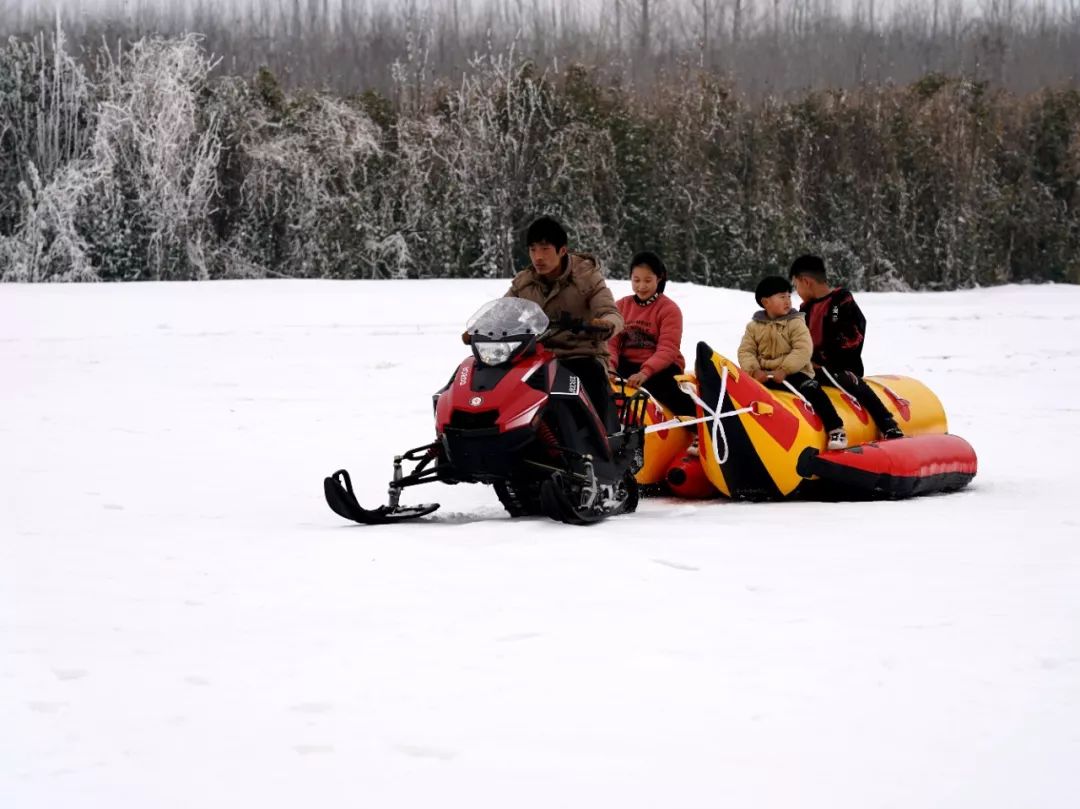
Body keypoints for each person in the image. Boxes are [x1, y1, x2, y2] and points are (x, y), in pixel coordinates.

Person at [496, 215, 624, 426]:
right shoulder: (524, 282)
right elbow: (503, 312)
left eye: (545, 249)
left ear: (562, 250)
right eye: (533, 249)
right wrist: (482, 330)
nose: (538, 257)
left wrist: (605, 324)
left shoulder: (586, 277)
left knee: (590, 376)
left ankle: (605, 441)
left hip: (580, 354)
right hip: (536, 357)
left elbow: (612, 312)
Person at [788, 254, 904, 440]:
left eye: (796, 286)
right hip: (811, 369)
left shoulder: (840, 302)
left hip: (840, 367)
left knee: (849, 381)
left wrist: (823, 360)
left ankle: (887, 423)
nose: (797, 291)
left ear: (806, 281)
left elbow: (853, 335)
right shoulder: (805, 310)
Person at [737, 275, 848, 450]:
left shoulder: (795, 322)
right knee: (740, 394)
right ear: (766, 302)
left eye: (789, 296)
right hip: (764, 375)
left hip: (794, 372)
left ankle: (835, 428)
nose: (788, 300)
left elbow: (803, 349)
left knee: (812, 389)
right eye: (782, 297)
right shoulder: (754, 327)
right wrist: (754, 370)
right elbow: (746, 351)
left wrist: (785, 369)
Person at [607, 251, 696, 416]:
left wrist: (645, 372)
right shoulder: (621, 305)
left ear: (659, 278)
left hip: (661, 367)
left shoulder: (669, 309)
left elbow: (668, 348)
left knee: (666, 391)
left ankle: (700, 426)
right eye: (636, 280)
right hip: (628, 364)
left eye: (647, 280)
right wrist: (610, 365)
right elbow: (611, 341)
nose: (641, 286)